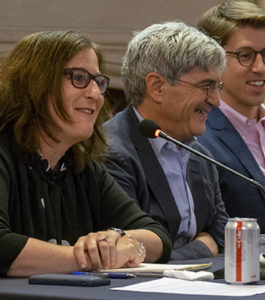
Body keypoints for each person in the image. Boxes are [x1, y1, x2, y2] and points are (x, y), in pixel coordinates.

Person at [0, 30, 172, 277]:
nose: (95, 94)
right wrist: (94, 257)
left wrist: (122, 241)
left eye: (98, 81)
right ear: (35, 83)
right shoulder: (4, 155)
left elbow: (158, 235)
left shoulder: (82, 167)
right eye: (79, 78)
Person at [104, 21, 229, 260]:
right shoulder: (111, 152)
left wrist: (206, 243)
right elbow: (126, 250)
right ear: (157, 86)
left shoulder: (200, 154)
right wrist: (202, 247)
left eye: (217, 86)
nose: (216, 100)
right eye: (206, 86)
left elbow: (221, 234)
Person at [197, 1, 265, 249]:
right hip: (253, 279)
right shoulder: (198, 139)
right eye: (245, 56)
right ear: (213, 61)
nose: (260, 68)